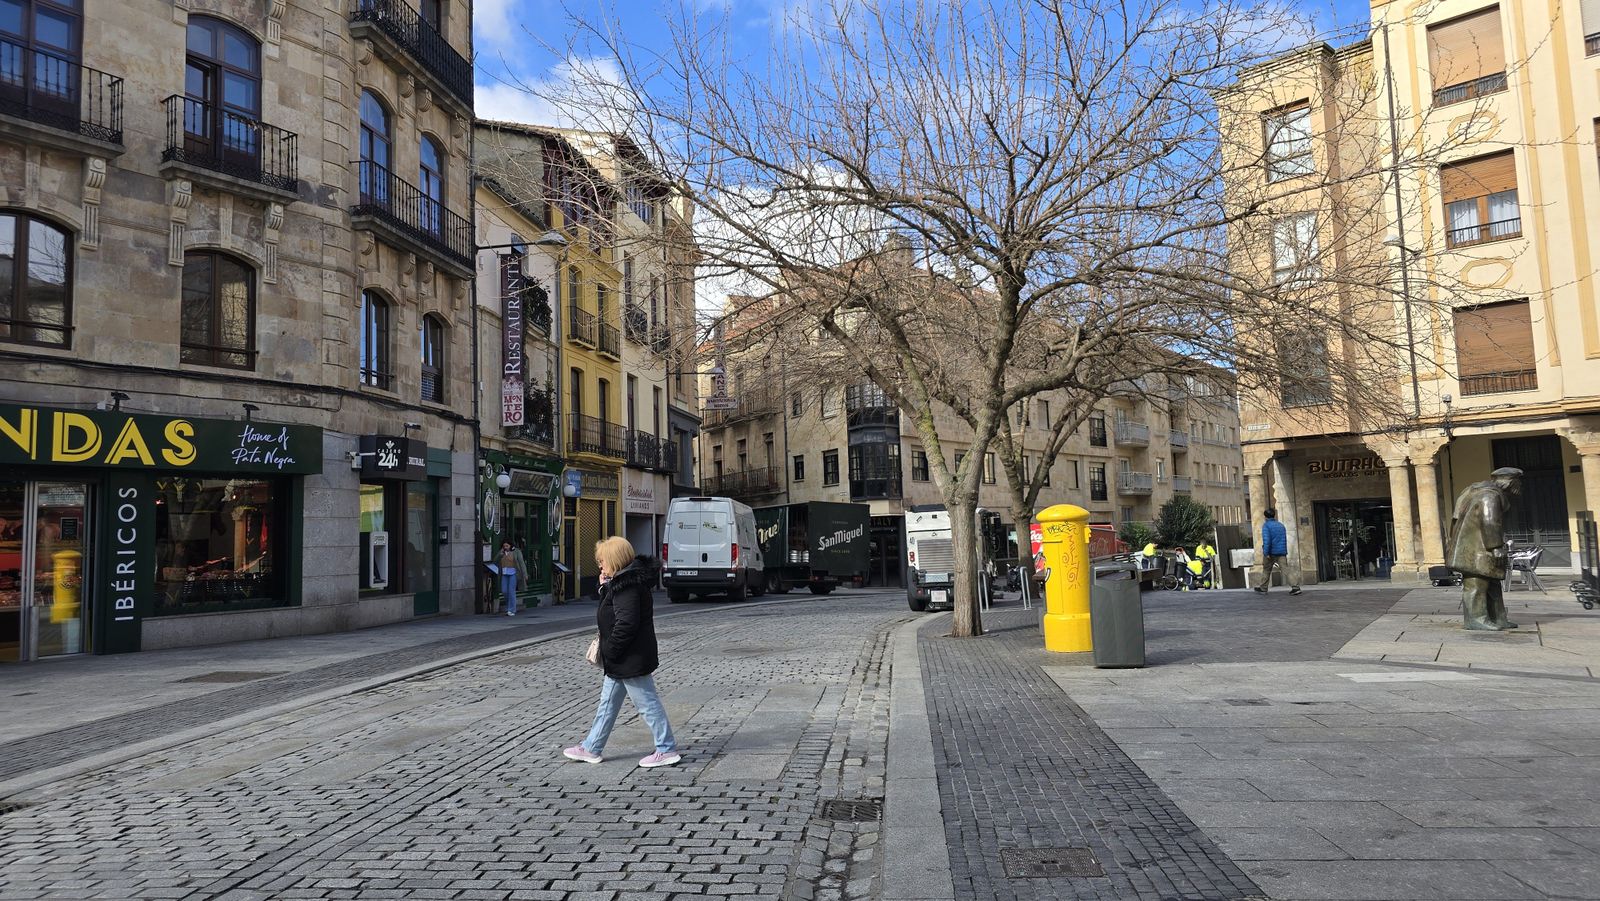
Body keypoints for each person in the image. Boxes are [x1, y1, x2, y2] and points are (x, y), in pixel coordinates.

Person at [564, 536, 681, 768]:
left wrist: (610, 650)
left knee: (647, 704)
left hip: (629, 658)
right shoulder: (622, 583)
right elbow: (611, 611)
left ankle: (666, 748)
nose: (600, 565)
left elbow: (626, 623)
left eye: (602, 561)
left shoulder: (627, 586)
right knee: (607, 705)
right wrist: (605, 587)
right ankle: (592, 747)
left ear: (614, 560)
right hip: (622, 658)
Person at [1448, 467, 1522, 631]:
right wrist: (1496, 547)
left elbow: (1454, 517)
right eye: (1518, 482)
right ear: (1511, 483)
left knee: (1493, 584)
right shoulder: (1490, 496)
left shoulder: (1472, 492)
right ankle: (1476, 619)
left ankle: (1498, 617)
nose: (1519, 487)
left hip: (1474, 547)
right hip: (1477, 549)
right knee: (1476, 584)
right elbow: (1490, 522)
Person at [1252, 508, 1302, 595]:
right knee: (1286, 569)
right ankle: (1295, 587)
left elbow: (1267, 540)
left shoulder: (1266, 526)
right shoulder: (1280, 525)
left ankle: (1263, 588)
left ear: (1265, 517)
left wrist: (1266, 553)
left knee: (1266, 570)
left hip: (1271, 552)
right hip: (1281, 552)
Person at [496, 539, 528, 616]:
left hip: (513, 573)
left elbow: (521, 563)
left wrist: (525, 574)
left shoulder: (516, 551)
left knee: (511, 591)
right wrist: (500, 554)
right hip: (504, 573)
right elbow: (495, 560)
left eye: (507, 546)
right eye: (504, 546)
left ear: (510, 545)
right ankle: (509, 606)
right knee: (504, 591)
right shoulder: (501, 552)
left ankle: (512, 609)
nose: (505, 547)